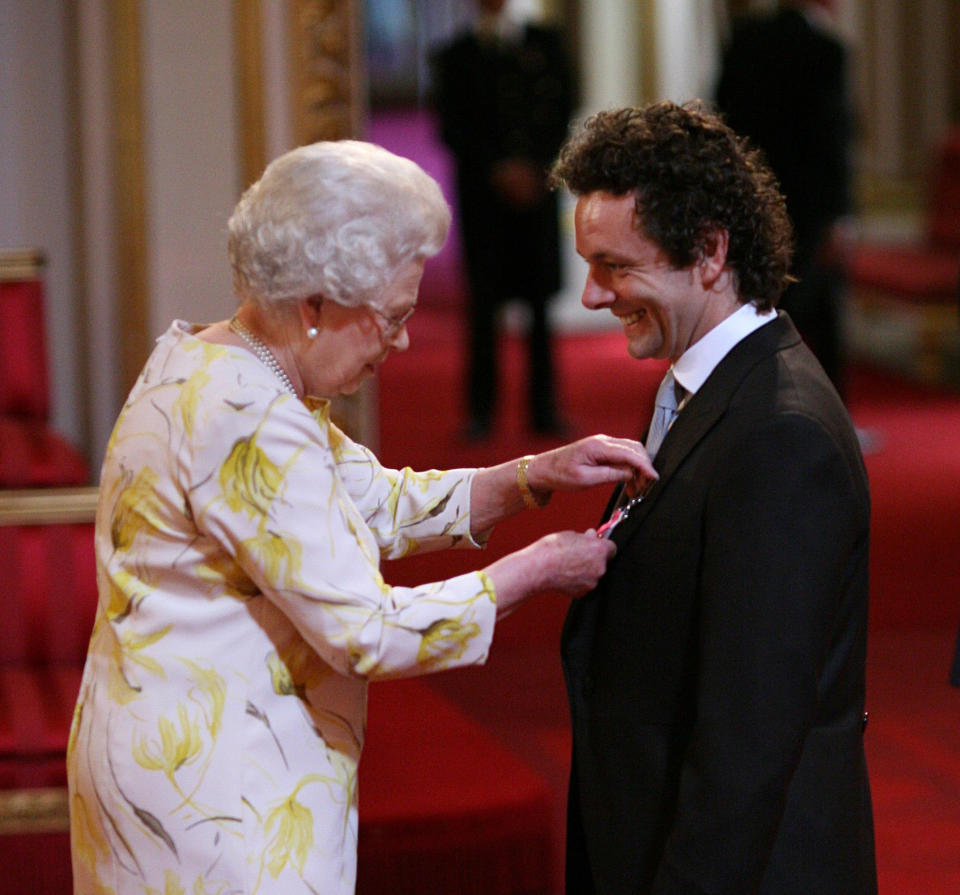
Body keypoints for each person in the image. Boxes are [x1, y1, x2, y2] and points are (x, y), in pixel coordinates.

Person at [66, 140, 655, 895]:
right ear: (314, 304)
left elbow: (372, 502)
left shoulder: (227, 367)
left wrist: (531, 475)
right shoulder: (247, 417)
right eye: (391, 317)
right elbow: (364, 632)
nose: (403, 340)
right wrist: (538, 570)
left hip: (180, 761)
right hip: (217, 796)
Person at [551, 102, 877, 894]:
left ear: (707, 252)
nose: (594, 296)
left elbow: (747, 746)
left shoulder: (779, 435)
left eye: (615, 267)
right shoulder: (701, 385)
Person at [431, 0, 574, 439]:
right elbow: (451, 126)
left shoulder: (546, 44)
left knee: (540, 308)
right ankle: (480, 413)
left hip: (536, 194)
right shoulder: (454, 55)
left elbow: (564, 107)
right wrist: (497, 169)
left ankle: (545, 410)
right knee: (483, 308)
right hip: (484, 201)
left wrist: (534, 167)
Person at [715, 0, 854, 396]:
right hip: (810, 210)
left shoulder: (744, 40)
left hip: (751, 202)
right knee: (822, 314)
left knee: (756, 309)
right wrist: (839, 215)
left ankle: (756, 406)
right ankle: (832, 416)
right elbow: (833, 139)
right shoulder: (826, 50)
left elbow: (725, 124)